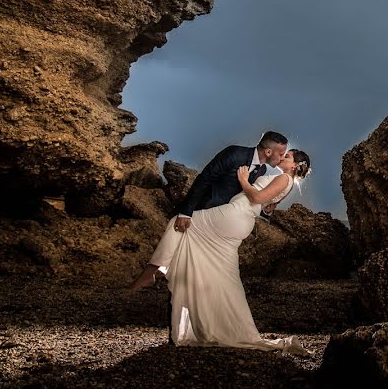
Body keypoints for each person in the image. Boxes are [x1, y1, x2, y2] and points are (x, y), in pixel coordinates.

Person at [126, 149, 312, 354]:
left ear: (295, 166)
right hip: (242, 221)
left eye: (287, 157)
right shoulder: (288, 184)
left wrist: (243, 180)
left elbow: (257, 198)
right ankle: (223, 321)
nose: (283, 157)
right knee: (223, 273)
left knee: (180, 222)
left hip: (236, 214)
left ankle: (154, 270)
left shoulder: (284, 178)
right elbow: (268, 209)